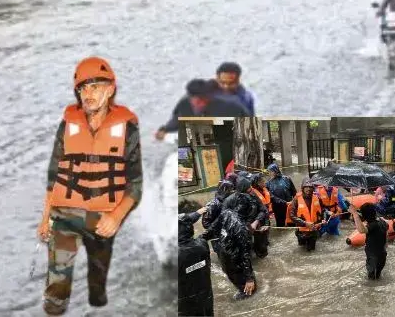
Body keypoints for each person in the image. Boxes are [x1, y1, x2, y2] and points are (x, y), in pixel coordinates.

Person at [38, 57, 143, 315]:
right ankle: (55, 309)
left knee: (98, 285)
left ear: (110, 89)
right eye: (83, 88)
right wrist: (45, 219)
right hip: (64, 214)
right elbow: (54, 176)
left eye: (95, 86)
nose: (88, 94)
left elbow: (136, 185)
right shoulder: (67, 125)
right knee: (57, 283)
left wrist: (116, 216)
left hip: (102, 218)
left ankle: (98, 305)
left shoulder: (127, 129)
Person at [155, 79, 250, 140]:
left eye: (204, 100)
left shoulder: (229, 105)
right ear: (190, 99)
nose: (201, 104)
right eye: (197, 101)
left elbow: (248, 121)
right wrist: (164, 130)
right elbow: (177, 120)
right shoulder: (185, 105)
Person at [201, 197, 256, 301]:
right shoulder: (241, 227)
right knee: (249, 290)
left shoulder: (225, 213)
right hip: (235, 260)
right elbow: (245, 255)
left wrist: (200, 239)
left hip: (223, 254)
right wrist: (249, 278)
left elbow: (212, 228)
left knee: (233, 277)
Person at [178, 209, 214, 316]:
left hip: (183, 300)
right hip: (205, 293)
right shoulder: (202, 245)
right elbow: (186, 222)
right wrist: (198, 213)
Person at [223, 177, 269, 258]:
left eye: (251, 187)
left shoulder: (253, 195)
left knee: (262, 248)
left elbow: (263, 210)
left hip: (255, 223)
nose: (251, 189)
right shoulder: (229, 201)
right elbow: (225, 219)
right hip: (240, 228)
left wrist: (257, 222)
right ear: (242, 190)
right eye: (249, 188)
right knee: (244, 252)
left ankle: (261, 255)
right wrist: (243, 227)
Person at [349, 203, 388, 280]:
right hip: (382, 255)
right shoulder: (382, 222)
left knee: (373, 280)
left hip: (374, 258)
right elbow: (386, 236)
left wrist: (354, 214)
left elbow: (361, 230)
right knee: (377, 277)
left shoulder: (373, 225)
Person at [287, 178, 323, 252]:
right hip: (301, 230)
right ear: (302, 188)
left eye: (310, 187)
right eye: (306, 187)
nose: (308, 189)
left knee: (312, 250)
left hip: (313, 230)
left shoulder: (317, 198)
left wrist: (324, 219)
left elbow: (322, 210)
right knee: (301, 249)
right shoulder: (296, 199)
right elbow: (291, 215)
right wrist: (305, 223)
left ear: (313, 188)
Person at [202, 180, 235, 255]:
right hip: (218, 234)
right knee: (224, 254)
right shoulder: (213, 204)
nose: (232, 191)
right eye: (230, 189)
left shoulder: (229, 201)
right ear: (224, 189)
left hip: (229, 232)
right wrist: (219, 228)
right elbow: (205, 223)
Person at [265, 162, 297, 227]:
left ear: (276, 170)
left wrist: (295, 202)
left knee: (291, 222)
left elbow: (294, 192)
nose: (270, 173)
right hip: (277, 207)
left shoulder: (287, 179)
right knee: (280, 223)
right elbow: (271, 196)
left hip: (289, 205)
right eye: (269, 172)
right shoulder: (269, 183)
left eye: (271, 171)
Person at [249, 173, 273, 258]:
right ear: (257, 183)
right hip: (258, 219)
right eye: (263, 181)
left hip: (265, 215)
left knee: (265, 234)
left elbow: (270, 200)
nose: (265, 183)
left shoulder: (264, 190)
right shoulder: (252, 194)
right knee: (259, 237)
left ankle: (265, 245)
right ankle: (260, 253)